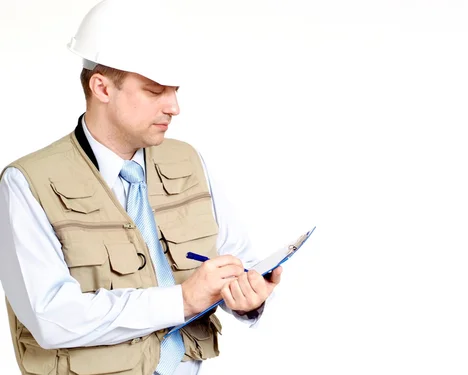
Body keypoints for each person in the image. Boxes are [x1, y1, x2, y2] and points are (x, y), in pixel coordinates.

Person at [0, 0, 282, 374]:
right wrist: (180, 300)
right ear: (101, 87)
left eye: (175, 89)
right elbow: (50, 317)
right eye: (155, 91)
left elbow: (235, 259)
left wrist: (246, 298)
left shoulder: (190, 162)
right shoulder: (26, 184)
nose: (175, 107)